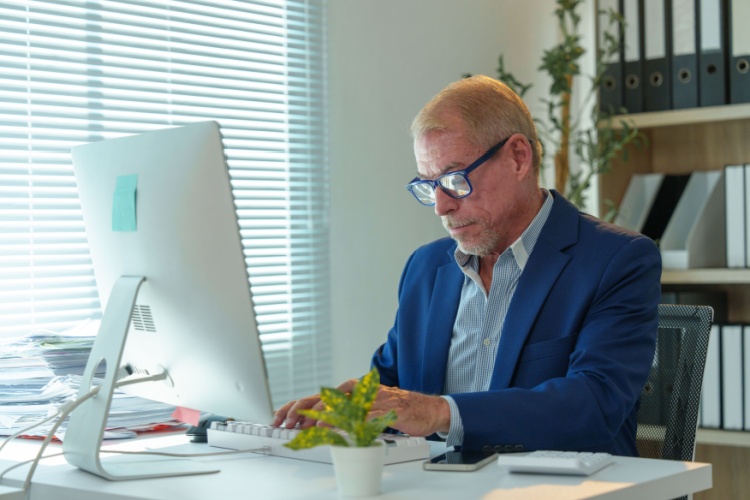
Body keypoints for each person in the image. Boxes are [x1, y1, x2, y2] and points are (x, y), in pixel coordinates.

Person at [273, 75, 661, 456]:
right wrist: (348, 407)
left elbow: (594, 404)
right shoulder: (426, 268)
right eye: (429, 186)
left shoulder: (616, 261)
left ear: (518, 157)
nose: (442, 206)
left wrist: (440, 413)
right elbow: (394, 384)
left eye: (455, 179)